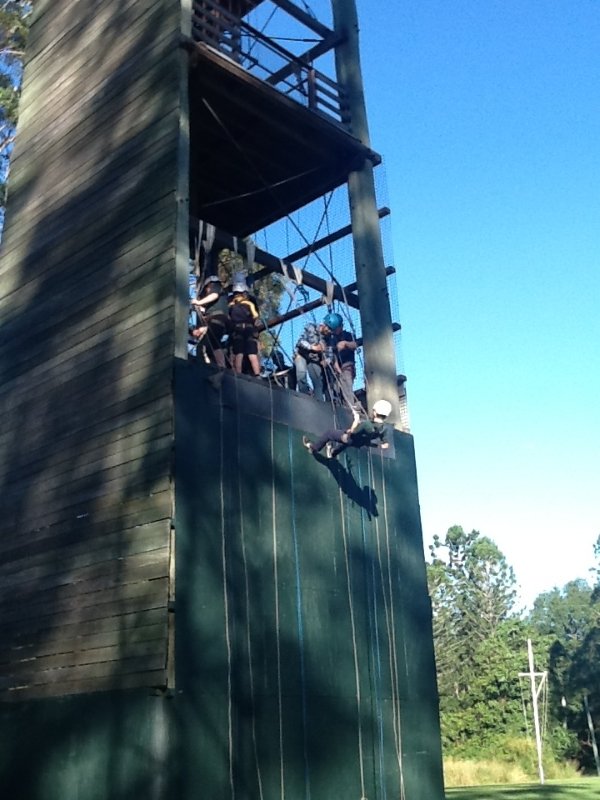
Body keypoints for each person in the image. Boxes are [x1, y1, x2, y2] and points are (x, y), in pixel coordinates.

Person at [302, 399, 392, 459]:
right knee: (347, 442)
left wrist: (356, 420)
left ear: (375, 413)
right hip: (360, 444)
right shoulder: (384, 428)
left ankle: (314, 448)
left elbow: (352, 432)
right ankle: (333, 453)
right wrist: (376, 445)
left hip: (350, 439)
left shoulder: (367, 424)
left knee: (330, 433)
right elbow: (386, 445)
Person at [190, 274, 230, 368]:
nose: (207, 291)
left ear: (209, 285)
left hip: (217, 319)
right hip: (216, 320)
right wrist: (201, 308)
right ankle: (213, 365)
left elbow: (214, 295)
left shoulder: (216, 287)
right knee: (208, 344)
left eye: (207, 288)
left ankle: (221, 367)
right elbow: (210, 310)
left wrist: (198, 302)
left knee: (213, 343)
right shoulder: (220, 301)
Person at [321, 311, 358, 408]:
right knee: (335, 389)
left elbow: (354, 345)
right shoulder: (330, 338)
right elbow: (331, 355)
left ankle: (350, 408)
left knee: (346, 387)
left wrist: (345, 344)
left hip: (347, 366)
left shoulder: (347, 335)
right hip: (335, 368)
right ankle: (338, 406)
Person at [228, 277, 262, 377]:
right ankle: (257, 375)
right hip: (249, 329)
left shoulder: (231, 305)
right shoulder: (249, 303)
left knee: (238, 353)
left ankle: (238, 374)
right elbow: (256, 316)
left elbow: (228, 318)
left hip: (237, 329)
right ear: (244, 293)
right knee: (252, 353)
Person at [294, 321, 326, 401]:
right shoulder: (311, 328)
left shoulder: (327, 336)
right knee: (301, 376)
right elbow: (300, 342)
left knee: (318, 381)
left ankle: (319, 402)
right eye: (328, 329)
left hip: (314, 359)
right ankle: (304, 399)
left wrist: (326, 359)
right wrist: (312, 347)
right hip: (301, 355)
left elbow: (329, 350)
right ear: (323, 326)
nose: (328, 331)